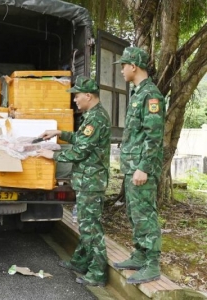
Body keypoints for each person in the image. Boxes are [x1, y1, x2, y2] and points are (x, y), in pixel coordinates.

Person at [36, 75, 111, 287]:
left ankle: (97, 273)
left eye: (77, 96)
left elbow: (80, 151)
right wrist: (60, 133)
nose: (75, 100)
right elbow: (81, 139)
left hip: (92, 182)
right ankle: (80, 261)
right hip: (87, 180)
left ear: (88, 95)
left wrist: (54, 155)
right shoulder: (92, 116)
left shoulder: (96, 119)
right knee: (85, 224)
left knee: (91, 228)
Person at [112, 47, 165, 284]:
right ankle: (140, 255)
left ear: (133, 66)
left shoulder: (150, 95)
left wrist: (143, 167)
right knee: (135, 214)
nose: (121, 70)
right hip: (132, 167)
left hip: (141, 168)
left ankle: (152, 263)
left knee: (145, 215)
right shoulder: (138, 93)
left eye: (123, 65)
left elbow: (153, 136)